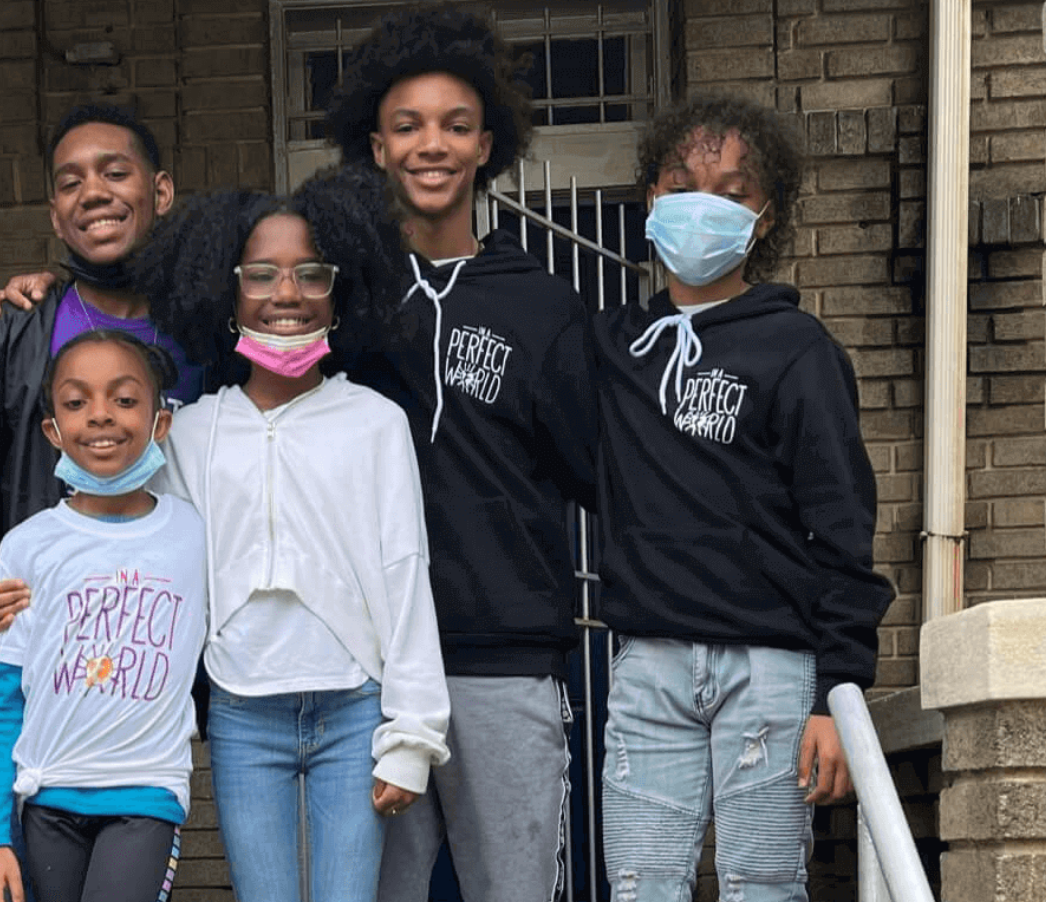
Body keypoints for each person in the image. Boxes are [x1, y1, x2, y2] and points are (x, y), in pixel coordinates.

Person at [319, 7, 598, 902]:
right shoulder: (335, 299)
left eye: (454, 125)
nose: (429, 145)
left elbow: (598, 474)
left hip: (504, 660)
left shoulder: (544, 307)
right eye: (407, 126)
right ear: (374, 145)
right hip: (366, 668)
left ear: (487, 146)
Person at [592, 96, 892, 902]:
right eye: (682, 182)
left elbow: (841, 524)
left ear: (765, 217)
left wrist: (840, 687)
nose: (703, 203)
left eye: (731, 190)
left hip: (769, 667)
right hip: (649, 665)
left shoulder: (798, 351)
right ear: (650, 199)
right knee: (640, 885)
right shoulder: (615, 349)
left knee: (763, 885)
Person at [144, 186, 451, 902]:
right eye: (261, 273)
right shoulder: (189, 433)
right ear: (227, 292)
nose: (287, 291)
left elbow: (406, 574)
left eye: (311, 272)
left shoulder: (374, 422)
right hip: (243, 714)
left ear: (340, 295)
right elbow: (158, 569)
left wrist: (412, 734)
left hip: (354, 709)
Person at [0, 103, 204, 902]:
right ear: (53, 211)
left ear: (160, 191)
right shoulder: (11, 334)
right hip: (22, 678)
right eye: (71, 182)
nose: (94, 193)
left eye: (115, 172)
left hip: (140, 701)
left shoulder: (210, 332)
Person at [0, 329, 208, 902]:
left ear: (161, 423)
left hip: (145, 795)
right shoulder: (27, 547)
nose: (100, 416)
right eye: (76, 402)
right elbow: (6, 700)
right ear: (53, 430)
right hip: (47, 798)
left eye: (124, 399)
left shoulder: (196, 533)